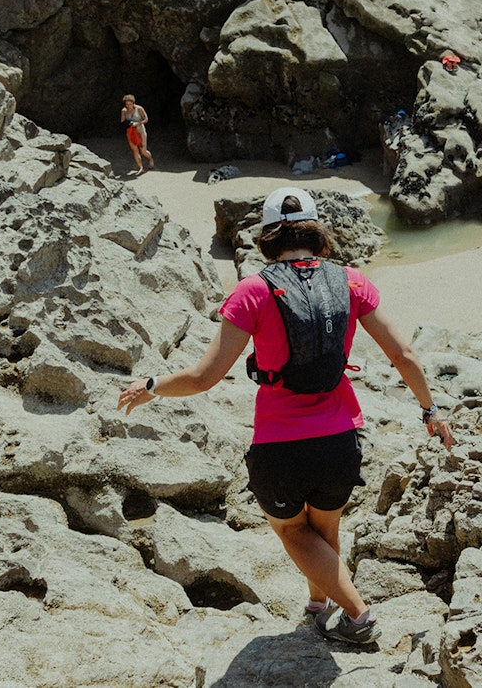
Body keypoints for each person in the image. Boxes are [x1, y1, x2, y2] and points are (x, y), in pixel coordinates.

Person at [117, 187, 453, 646]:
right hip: (341, 439)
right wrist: (430, 410)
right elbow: (404, 353)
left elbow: (203, 377)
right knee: (325, 531)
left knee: (293, 532)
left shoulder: (253, 290)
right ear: (317, 230)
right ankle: (319, 606)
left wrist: (152, 386)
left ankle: (358, 616)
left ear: (267, 234)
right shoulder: (353, 281)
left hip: (280, 444)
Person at [120, 95, 154, 173]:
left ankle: (150, 159)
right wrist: (130, 123)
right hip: (131, 132)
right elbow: (122, 121)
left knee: (143, 150)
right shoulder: (124, 110)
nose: (128, 105)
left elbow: (146, 119)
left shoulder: (139, 109)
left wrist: (138, 123)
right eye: (127, 104)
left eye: (130, 104)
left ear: (133, 103)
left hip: (140, 131)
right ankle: (140, 167)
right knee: (135, 150)